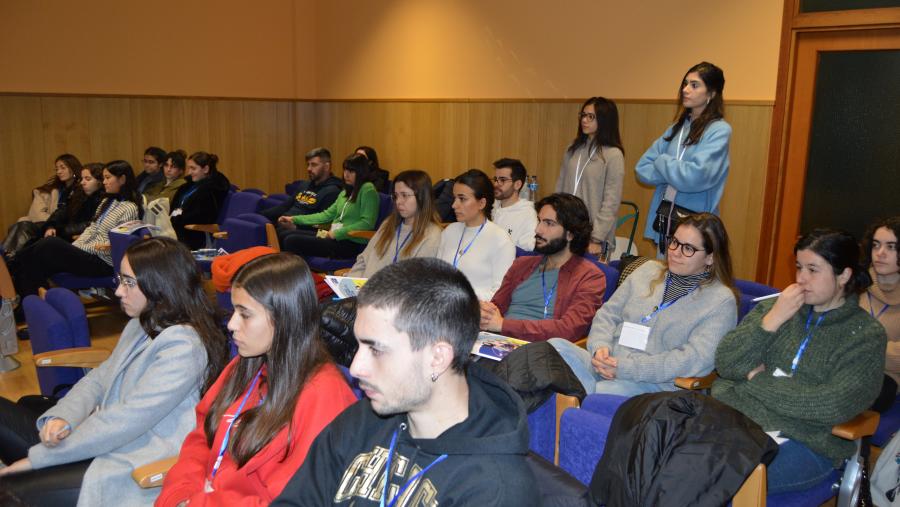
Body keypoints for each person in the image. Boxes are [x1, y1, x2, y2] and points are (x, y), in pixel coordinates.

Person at [270, 258, 539, 506]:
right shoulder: (363, 420)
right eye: (359, 346)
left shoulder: (496, 489)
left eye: (376, 350)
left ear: (437, 357)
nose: (356, 368)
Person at [0, 237, 230, 506]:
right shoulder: (142, 324)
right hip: (107, 440)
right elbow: (98, 379)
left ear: (159, 284)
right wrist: (64, 416)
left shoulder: (185, 346)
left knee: (10, 489)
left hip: (133, 460)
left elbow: (127, 421)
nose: (119, 291)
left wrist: (36, 460)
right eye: (121, 279)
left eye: (129, 282)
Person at [157, 253, 357, 506]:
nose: (231, 324)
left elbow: (295, 500)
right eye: (234, 310)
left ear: (284, 319)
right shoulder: (245, 366)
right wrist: (181, 493)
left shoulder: (324, 396)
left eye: (245, 314)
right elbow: (201, 440)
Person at [713, 229, 886, 495]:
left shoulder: (866, 335)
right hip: (737, 418)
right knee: (674, 451)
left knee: (720, 473)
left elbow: (830, 405)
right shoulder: (776, 307)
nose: (801, 278)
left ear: (844, 275)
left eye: (813, 270)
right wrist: (772, 320)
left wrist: (756, 379)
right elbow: (726, 363)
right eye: (798, 267)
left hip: (805, 441)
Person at [549, 213, 738, 397]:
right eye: (674, 242)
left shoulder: (720, 301)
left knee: (599, 392)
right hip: (604, 363)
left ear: (710, 257)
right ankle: (580, 395)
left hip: (655, 384)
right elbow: (608, 314)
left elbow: (694, 359)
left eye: (688, 248)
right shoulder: (647, 270)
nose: (675, 252)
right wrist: (600, 348)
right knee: (553, 348)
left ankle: (579, 397)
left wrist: (626, 368)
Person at [481, 193, 605, 342]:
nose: (538, 230)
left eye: (549, 223)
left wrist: (503, 325)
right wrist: (483, 312)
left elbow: (569, 329)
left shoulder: (590, 276)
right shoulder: (521, 265)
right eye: (539, 221)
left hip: (542, 349)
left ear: (570, 234)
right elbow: (496, 307)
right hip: (498, 342)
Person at [10, 160, 143, 297]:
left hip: (104, 261)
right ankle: (29, 300)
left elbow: (118, 242)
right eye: (103, 178)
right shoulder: (107, 202)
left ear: (122, 179)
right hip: (88, 253)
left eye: (108, 178)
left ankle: (14, 263)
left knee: (49, 244)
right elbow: (91, 229)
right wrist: (75, 247)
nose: (104, 182)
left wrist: (80, 248)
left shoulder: (129, 208)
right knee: (36, 262)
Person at [636, 62, 731, 252]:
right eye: (685, 84)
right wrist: (677, 172)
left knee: (686, 270)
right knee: (666, 269)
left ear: (711, 93)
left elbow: (694, 177)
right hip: (665, 220)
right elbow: (642, 169)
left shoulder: (719, 130)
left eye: (694, 85)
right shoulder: (676, 129)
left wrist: (662, 161)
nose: (685, 90)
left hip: (695, 226)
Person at [555, 97, 624, 260]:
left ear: (605, 120)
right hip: (567, 228)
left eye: (591, 117)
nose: (584, 120)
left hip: (593, 235)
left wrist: (596, 237)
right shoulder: (573, 149)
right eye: (583, 115)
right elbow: (560, 186)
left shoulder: (613, 154)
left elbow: (611, 202)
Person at [278, 153, 378, 260]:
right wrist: (294, 219)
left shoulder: (368, 189)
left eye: (351, 171)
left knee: (291, 240)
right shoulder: (345, 191)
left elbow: (367, 223)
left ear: (361, 172)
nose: (346, 175)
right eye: (345, 170)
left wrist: (337, 233)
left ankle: (300, 269)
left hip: (348, 242)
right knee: (284, 234)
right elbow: (326, 215)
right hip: (330, 235)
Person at [436, 169, 515, 300]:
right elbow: (436, 275)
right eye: (454, 198)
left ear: (481, 203)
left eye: (462, 199)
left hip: (475, 308)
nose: (454, 205)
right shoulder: (449, 231)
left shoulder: (500, 240)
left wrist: (462, 297)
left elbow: (500, 293)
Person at [348, 170, 442, 278]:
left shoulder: (432, 235)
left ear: (422, 197)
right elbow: (362, 260)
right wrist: (351, 281)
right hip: (364, 285)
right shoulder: (388, 224)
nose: (398, 201)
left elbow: (417, 282)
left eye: (404, 195)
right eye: (396, 196)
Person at [2, 154, 82, 258]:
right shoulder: (47, 191)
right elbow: (37, 214)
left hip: (65, 229)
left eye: (63, 168)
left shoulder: (81, 190)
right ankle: (7, 257)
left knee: (23, 226)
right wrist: (51, 224)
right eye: (57, 169)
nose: (59, 172)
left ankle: (6, 258)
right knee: (21, 225)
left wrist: (55, 225)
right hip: (48, 225)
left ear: (73, 167)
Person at [860, 216, 900, 408]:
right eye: (876, 245)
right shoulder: (856, 283)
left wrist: (862, 349)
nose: (880, 253)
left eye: (891, 247)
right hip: (839, 366)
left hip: (885, 376)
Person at [259, 147, 342, 227]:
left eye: (314, 165)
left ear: (326, 167)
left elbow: (323, 222)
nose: (309, 169)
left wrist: (296, 227)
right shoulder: (305, 185)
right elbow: (284, 207)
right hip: (285, 223)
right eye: (308, 165)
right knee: (261, 224)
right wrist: (260, 215)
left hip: (302, 230)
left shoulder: (333, 191)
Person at [169, 151, 232, 250]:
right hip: (179, 228)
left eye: (193, 168)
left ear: (206, 169)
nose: (189, 172)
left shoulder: (212, 189)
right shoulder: (189, 185)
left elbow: (204, 217)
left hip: (196, 235)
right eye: (189, 168)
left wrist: (178, 218)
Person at [41, 163, 104, 242]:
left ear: (100, 181)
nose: (82, 182)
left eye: (87, 179)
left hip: (77, 237)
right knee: (29, 226)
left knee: (44, 243)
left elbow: (93, 224)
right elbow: (63, 211)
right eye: (82, 179)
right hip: (65, 231)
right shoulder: (79, 194)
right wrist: (51, 226)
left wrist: (61, 230)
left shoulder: (105, 199)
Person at [492, 157, 538, 251]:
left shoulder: (527, 214)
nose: (496, 184)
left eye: (502, 180)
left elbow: (527, 253)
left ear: (517, 184)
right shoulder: (491, 208)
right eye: (496, 179)